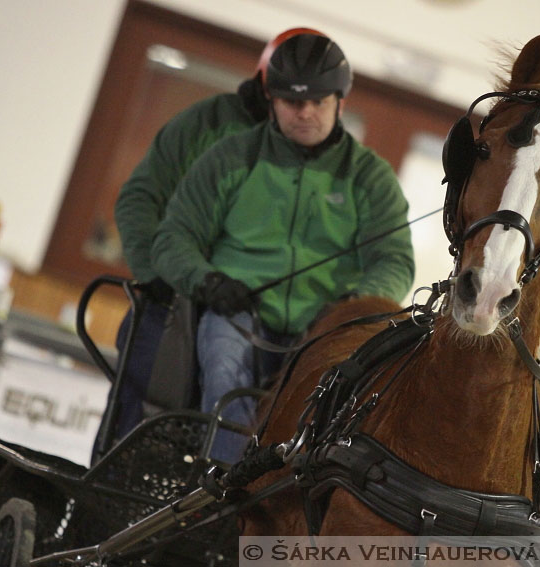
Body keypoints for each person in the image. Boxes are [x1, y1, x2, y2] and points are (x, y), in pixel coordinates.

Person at [151, 32, 415, 463]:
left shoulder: (371, 177)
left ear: (340, 103)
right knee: (222, 367)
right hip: (235, 310)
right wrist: (208, 281)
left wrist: (354, 305)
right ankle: (226, 486)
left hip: (326, 327)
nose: (305, 112)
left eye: (318, 101)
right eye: (293, 102)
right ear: (272, 101)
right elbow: (173, 238)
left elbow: (395, 261)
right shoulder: (231, 157)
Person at [99, 29, 320, 451]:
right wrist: (159, 273)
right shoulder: (207, 123)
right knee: (133, 438)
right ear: (265, 85)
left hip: (255, 324)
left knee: (243, 446)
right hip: (171, 311)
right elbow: (140, 197)